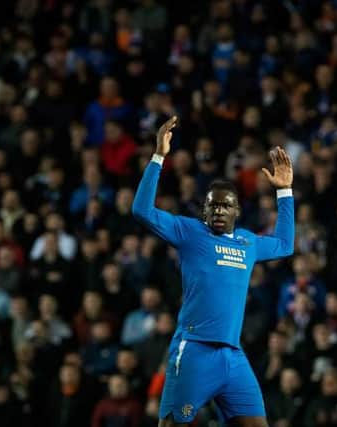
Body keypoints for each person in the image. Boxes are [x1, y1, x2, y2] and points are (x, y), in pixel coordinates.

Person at [132, 116, 295, 427]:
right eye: (213, 206)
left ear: (237, 211)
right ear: (204, 211)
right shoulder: (190, 233)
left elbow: (285, 244)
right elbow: (142, 210)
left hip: (233, 357)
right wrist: (158, 156)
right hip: (195, 350)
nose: (219, 210)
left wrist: (284, 192)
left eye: (225, 206)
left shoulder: (248, 243)